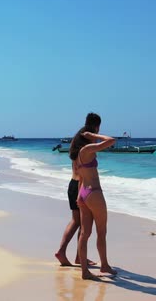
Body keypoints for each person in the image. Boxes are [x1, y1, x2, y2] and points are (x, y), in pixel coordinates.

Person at [70, 112, 117, 279]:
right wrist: (94, 135)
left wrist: (79, 196)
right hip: (94, 193)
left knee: (85, 234)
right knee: (101, 232)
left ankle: (85, 272)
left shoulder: (77, 155)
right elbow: (111, 141)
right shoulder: (88, 149)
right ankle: (104, 265)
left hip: (83, 193)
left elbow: (80, 176)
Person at [54, 114, 102, 267]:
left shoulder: (77, 139)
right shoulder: (88, 139)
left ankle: (75, 256)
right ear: (96, 126)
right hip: (81, 185)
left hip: (72, 184)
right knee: (81, 222)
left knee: (79, 222)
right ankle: (68, 253)